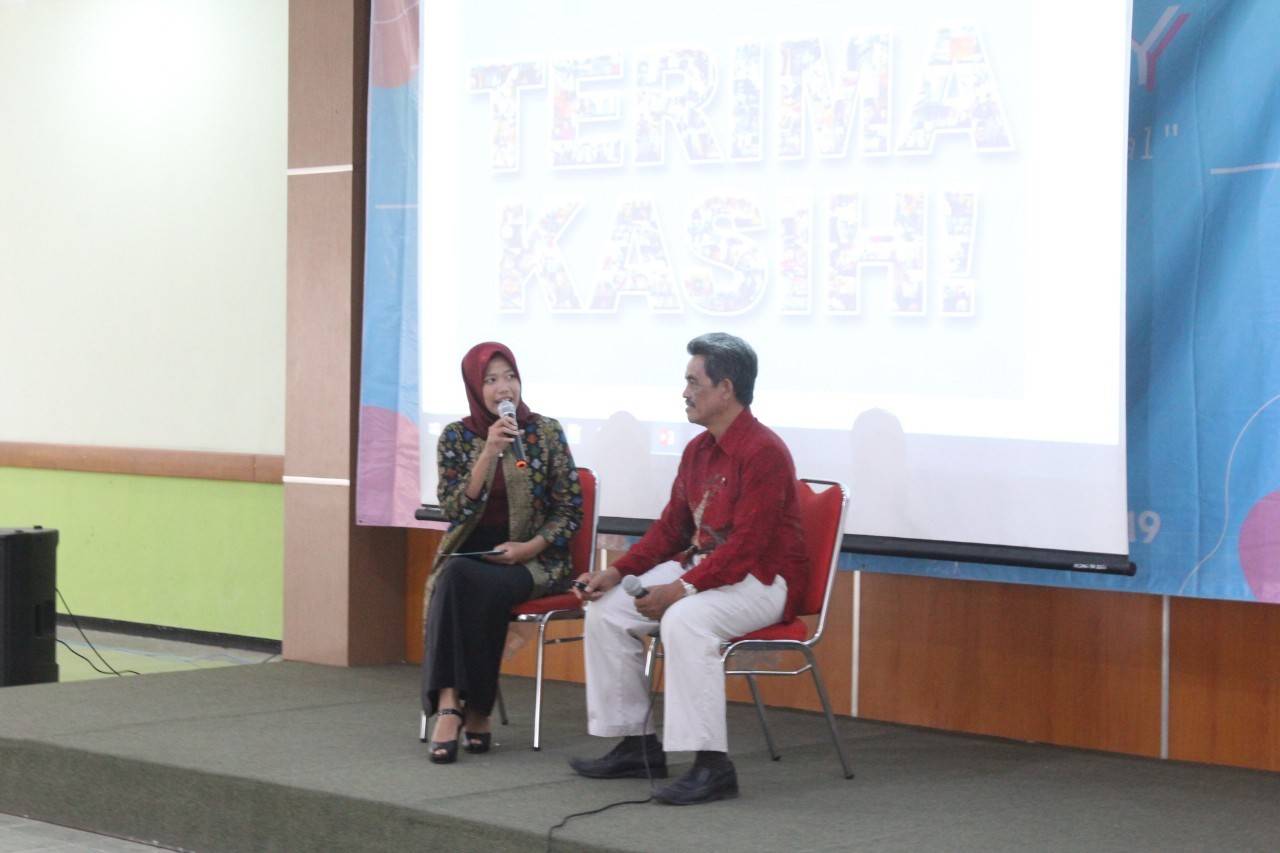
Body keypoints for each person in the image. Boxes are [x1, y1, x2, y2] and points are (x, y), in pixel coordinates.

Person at [569, 332, 808, 805]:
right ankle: (637, 745)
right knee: (607, 610)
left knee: (685, 620)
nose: (684, 392)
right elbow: (670, 530)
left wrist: (680, 590)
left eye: (693, 382)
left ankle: (712, 766)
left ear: (726, 388)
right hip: (709, 571)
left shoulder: (764, 452)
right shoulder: (698, 450)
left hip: (764, 580)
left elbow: (747, 548)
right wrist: (615, 573)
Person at [422, 342, 583, 764]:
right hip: (471, 553)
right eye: (491, 380)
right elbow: (455, 510)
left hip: (537, 558)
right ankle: (466, 708)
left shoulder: (545, 433)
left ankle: (456, 707)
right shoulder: (457, 437)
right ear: (475, 387)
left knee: (464, 584)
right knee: (458, 578)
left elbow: (570, 510)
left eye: (509, 377)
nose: (503, 388)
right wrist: (489, 452)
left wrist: (527, 548)